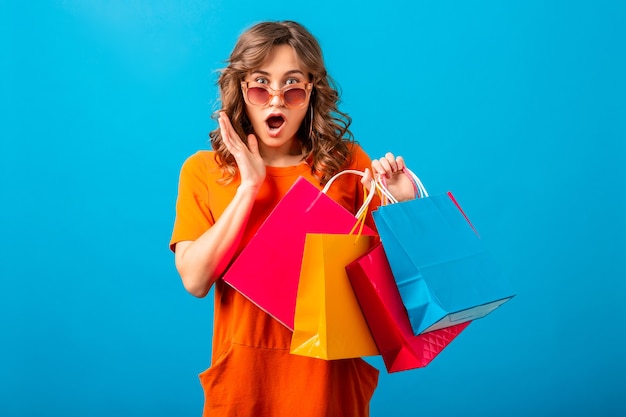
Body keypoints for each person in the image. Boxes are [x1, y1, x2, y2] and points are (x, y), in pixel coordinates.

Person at [169, 20, 416, 417]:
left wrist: (403, 204)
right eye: (260, 85)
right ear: (242, 90)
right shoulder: (204, 171)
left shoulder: (348, 165)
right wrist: (249, 187)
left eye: (293, 86)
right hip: (245, 384)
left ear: (312, 92)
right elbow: (196, 280)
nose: (276, 101)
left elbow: (396, 279)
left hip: (330, 384)